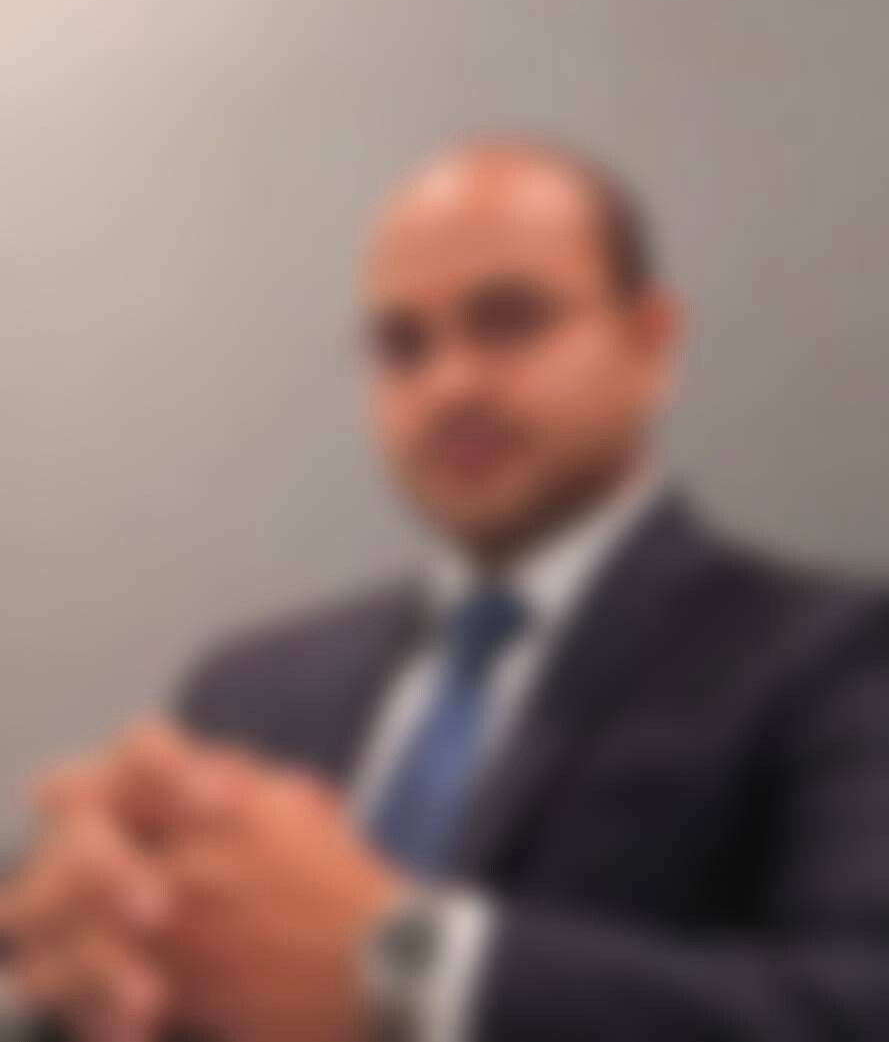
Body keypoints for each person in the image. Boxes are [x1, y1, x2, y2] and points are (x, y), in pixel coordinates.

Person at [3, 138, 889, 1042]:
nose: (449, 382)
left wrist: (404, 959)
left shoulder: (832, 658)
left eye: (509, 321)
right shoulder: (249, 688)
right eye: (401, 345)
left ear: (648, 341)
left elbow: (858, 1003)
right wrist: (81, 933)